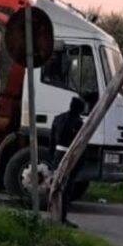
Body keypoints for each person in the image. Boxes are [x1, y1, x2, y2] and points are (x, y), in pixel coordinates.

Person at [50, 96, 85, 227]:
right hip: (70, 155)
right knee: (67, 187)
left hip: (58, 154)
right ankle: (62, 217)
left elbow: (51, 140)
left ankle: (53, 215)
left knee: (56, 186)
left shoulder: (58, 119)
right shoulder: (78, 123)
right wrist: (80, 162)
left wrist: (52, 156)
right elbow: (81, 143)